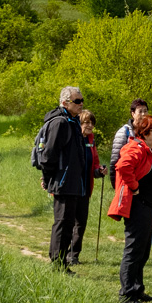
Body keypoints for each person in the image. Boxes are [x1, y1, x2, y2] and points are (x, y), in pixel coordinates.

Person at [108, 115, 152, 303]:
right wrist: (134, 186)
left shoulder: (148, 149)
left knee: (143, 250)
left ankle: (137, 289)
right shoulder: (136, 147)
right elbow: (122, 166)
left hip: (147, 206)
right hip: (137, 205)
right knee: (133, 250)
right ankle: (127, 295)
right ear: (145, 132)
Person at [109, 99, 152, 265]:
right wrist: (129, 187)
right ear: (132, 113)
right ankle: (130, 287)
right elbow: (119, 164)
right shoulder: (126, 135)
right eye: (140, 111)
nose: (143, 113)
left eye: (146, 110)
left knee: (146, 238)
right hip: (135, 196)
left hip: (148, 195)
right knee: (135, 244)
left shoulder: (151, 138)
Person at [40, 86, 87, 274]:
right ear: (65, 102)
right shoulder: (59, 123)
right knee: (62, 223)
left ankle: (62, 262)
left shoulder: (73, 121)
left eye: (82, 100)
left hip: (72, 181)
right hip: (63, 181)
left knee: (68, 223)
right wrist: (49, 178)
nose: (81, 104)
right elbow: (48, 155)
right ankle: (57, 264)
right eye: (77, 101)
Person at [67, 110, 106, 266]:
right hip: (70, 187)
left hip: (85, 188)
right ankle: (62, 253)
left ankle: (74, 255)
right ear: (79, 124)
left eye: (92, 123)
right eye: (86, 122)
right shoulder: (73, 139)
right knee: (68, 222)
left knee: (81, 222)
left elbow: (94, 161)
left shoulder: (91, 139)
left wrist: (99, 170)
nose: (90, 126)